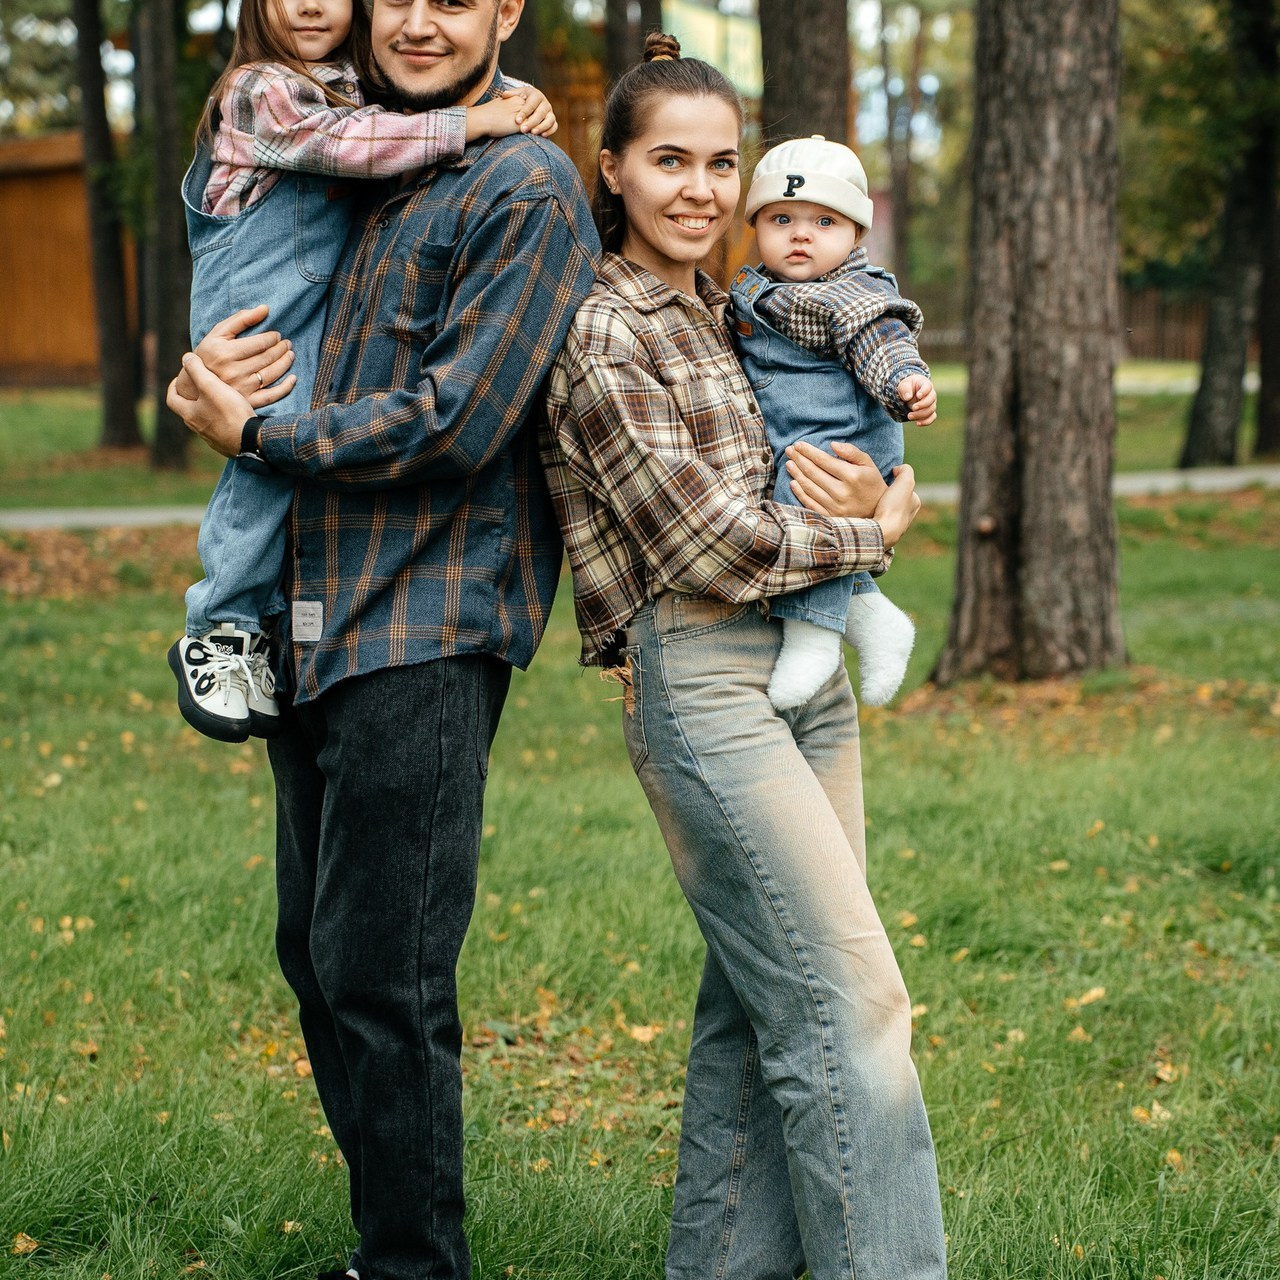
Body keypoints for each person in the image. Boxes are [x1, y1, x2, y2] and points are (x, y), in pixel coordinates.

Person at [165, 0, 599, 1276]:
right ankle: (388, 1247)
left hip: (425, 618)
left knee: (385, 970)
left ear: (504, 11)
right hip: (311, 609)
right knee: (317, 954)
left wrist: (258, 434)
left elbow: (459, 419)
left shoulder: (521, 185)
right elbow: (266, 299)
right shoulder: (353, 156)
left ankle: (414, 1264)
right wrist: (212, 375)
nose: (416, 21)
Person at [541, 33, 948, 1280]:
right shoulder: (602, 330)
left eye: (722, 164)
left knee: (760, 1000)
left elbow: (839, 426)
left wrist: (869, 488)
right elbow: (703, 537)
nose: (700, 189)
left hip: (805, 672)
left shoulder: (743, 308)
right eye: (668, 160)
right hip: (705, 674)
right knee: (852, 1003)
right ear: (612, 169)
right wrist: (869, 530)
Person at [168, 0, 558, 744]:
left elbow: (421, 93)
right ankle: (219, 625)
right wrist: (478, 119)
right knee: (264, 453)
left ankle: (249, 621)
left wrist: (515, 97)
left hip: (420, 610)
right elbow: (353, 143)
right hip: (259, 302)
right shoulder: (260, 88)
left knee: (273, 448)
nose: (312, 3)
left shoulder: (507, 174)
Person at [732, 135, 937, 711]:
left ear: (856, 234)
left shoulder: (851, 295)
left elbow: (882, 342)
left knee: (800, 498)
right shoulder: (764, 289)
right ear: (756, 224)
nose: (801, 235)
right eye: (782, 219)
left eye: (824, 221)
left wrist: (905, 383)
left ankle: (813, 638)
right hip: (802, 432)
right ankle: (874, 620)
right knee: (796, 492)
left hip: (842, 442)